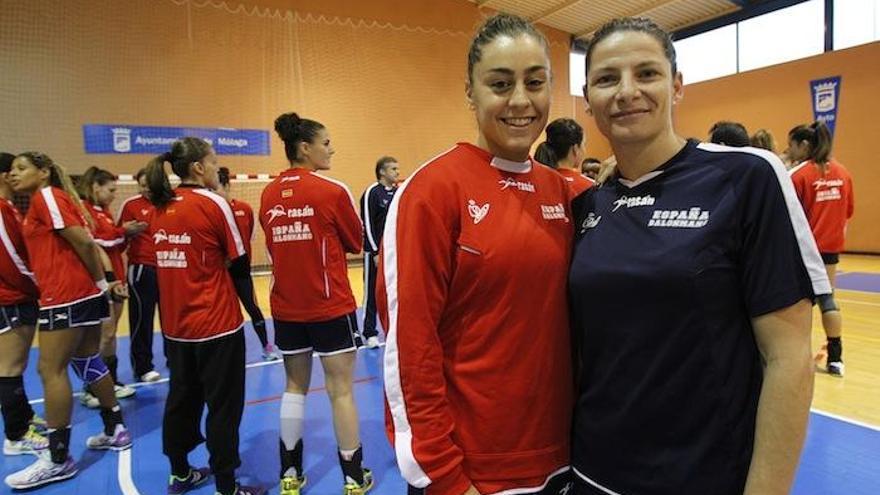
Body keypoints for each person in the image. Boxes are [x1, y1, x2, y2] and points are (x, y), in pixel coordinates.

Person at [569, 17, 829, 495]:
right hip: (592, 471)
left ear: (678, 85)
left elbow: (789, 357)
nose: (627, 91)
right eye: (607, 78)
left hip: (702, 476)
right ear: (588, 98)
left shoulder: (746, 178)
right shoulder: (587, 205)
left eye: (647, 73)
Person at [378, 13, 574, 495]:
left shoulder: (566, 192)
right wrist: (444, 476)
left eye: (535, 82)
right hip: (474, 472)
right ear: (470, 91)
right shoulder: (432, 191)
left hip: (563, 459)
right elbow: (409, 349)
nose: (521, 101)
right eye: (500, 84)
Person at [259, 112, 370, 495]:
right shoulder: (331, 190)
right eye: (326, 143)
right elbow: (356, 241)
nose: (332, 149)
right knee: (341, 391)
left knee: (294, 387)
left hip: (286, 308)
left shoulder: (269, 193)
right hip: (329, 307)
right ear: (304, 148)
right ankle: (354, 477)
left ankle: (289, 474)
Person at [6, 152, 131, 490]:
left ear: (44, 172)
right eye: (12, 170)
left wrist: (103, 285)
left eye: (22, 168)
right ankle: (115, 428)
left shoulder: (48, 197)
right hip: (76, 294)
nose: (14, 174)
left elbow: (84, 242)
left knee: (50, 370)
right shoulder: (44, 200)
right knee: (87, 360)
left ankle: (58, 459)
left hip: (66, 296)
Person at [146, 138, 264, 495]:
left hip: (175, 328)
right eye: (214, 162)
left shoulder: (160, 207)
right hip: (216, 325)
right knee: (223, 407)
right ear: (198, 167)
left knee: (181, 399)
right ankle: (227, 486)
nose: (217, 168)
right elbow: (239, 260)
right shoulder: (214, 204)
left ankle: (179, 473)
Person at [788, 121, 855, 377]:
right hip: (830, 250)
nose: (789, 150)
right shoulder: (843, 172)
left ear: (804, 145)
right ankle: (836, 359)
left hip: (804, 250)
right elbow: (848, 212)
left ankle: (794, 358)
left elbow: (787, 215)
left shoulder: (799, 175)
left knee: (795, 306)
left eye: (792, 145)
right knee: (828, 301)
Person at [76, 166, 145, 404]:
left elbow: (114, 244)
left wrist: (124, 234)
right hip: (101, 283)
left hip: (117, 278)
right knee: (102, 335)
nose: (114, 194)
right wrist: (124, 230)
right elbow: (95, 242)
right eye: (111, 190)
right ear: (96, 187)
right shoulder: (83, 211)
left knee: (111, 333)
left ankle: (111, 381)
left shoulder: (103, 211)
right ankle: (91, 388)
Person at [0, 152, 48, 457]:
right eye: (13, 170)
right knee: (9, 367)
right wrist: (42, 285)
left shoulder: (10, 208)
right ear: (5, 176)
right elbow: (11, 260)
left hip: (19, 296)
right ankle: (16, 435)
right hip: (13, 298)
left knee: (15, 366)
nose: (17, 175)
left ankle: (25, 418)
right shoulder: (2, 209)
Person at [216, 166, 280, 361]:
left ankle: (267, 347)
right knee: (223, 313)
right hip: (219, 273)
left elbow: (249, 237)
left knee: (252, 307)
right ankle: (225, 353)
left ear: (227, 185)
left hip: (241, 270)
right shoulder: (210, 211)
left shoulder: (244, 209)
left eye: (216, 187)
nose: (212, 192)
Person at [116, 167, 161, 382]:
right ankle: (143, 366)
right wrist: (127, 231)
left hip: (168, 267)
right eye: (141, 185)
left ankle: (176, 358)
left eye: (148, 185)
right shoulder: (131, 205)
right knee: (142, 318)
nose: (145, 190)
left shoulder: (167, 202)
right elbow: (118, 237)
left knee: (173, 316)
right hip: (142, 267)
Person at [358, 156, 399, 349]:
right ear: (382, 172)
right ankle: (369, 332)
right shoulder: (371, 193)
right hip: (374, 253)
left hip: (394, 252)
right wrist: (375, 252)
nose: (397, 172)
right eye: (393, 169)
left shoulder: (398, 193)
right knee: (372, 292)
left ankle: (393, 329)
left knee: (393, 291)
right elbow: (367, 223)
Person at [537, 118, 595, 197]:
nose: (584, 150)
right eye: (583, 145)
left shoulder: (537, 183)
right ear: (575, 149)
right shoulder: (590, 187)